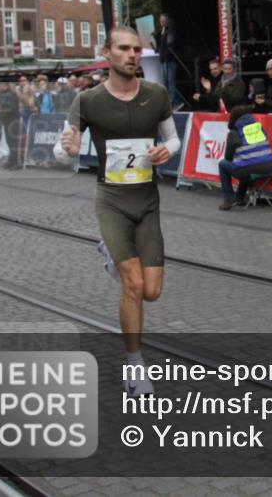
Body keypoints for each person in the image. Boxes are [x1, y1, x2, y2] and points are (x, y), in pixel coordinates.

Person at [55, 26, 181, 396]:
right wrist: (68, 149)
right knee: (133, 285)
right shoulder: (88, 100)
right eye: (124, 49)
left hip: (147, 201)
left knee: (152, 291)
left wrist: (167, 150)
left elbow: (173, 138)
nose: (132, 55)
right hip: (111, 201)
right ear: (106, 53)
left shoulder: (156, 94)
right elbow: (63, 150)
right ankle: (135, 365)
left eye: (136, 49)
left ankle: (111, 253)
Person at [217, 105, 272, 210]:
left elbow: (228, 158)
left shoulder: (234, 133)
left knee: (223, 164)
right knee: (245, 164)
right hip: (270, 168)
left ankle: (229, 198)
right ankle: (239, 197)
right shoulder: (258, 128)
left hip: (250, 170)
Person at [153, 13, 180, 109]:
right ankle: (173, 102)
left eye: (163, 21)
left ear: (167, 21)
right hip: (164, 60)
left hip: (169, 60)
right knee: (166, 83)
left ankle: (173, 104)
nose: (161, 23)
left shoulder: (170, 30)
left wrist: (164, 54)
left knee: (170, 83)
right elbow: (162, 45)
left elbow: (169, 44)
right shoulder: (163, 31)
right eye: (160, 21)